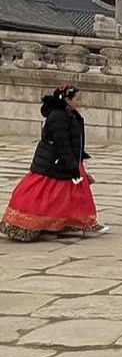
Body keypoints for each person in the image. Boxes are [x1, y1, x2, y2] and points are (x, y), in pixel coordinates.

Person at [1, 85, 107, 241]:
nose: (80, 102)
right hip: (54, 161)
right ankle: (25, 221)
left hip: (66, 159)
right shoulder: (58, 116)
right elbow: (61, 142)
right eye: (77, 99)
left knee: (73, 193)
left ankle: (77, 222)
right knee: (42, 193)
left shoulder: (69, 113)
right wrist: (72, 164)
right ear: (67, 99)